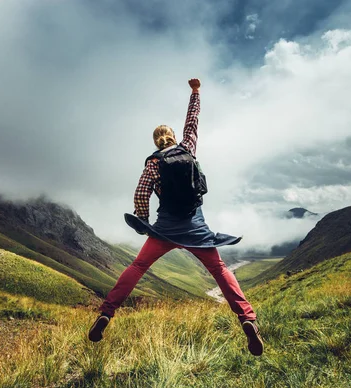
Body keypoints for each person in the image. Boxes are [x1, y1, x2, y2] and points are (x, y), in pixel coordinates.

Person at [88, 78, 263, 356]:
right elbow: (192, 122)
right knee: (219, 270)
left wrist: (144, 223)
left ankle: (107, 313)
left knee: (138, 267)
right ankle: (247, 318)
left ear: (156, 142)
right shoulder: (188, 149)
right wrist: (195, 92)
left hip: (165, 229)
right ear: (172, 137)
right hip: (196, 228)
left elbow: (140, 194)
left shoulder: (153, 164)